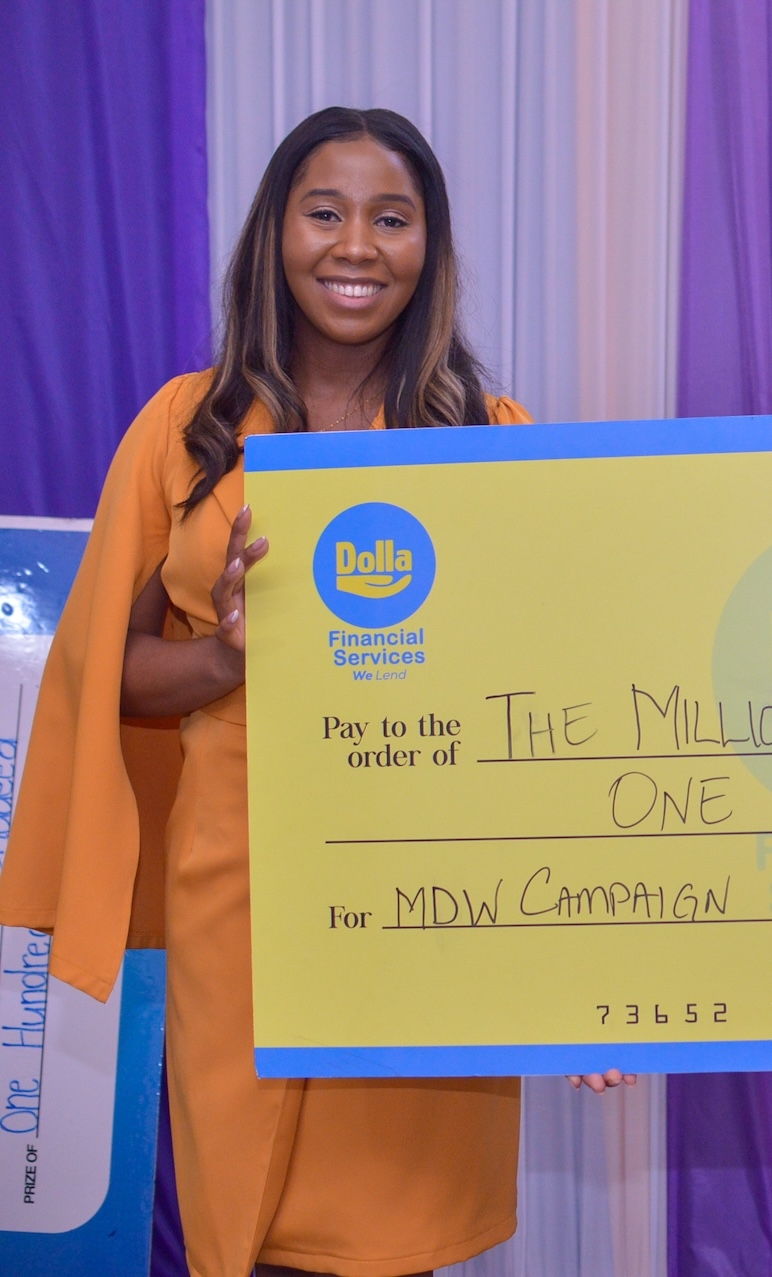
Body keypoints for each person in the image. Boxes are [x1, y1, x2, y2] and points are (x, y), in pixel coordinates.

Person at [0, 107, 629, 1277]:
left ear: (429, 248)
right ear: (275, 234)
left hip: (430, 883)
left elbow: (553, 696)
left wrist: (574, 968)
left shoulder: (490, 438)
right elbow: (111, 673)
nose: (356, 245)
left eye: (392, 218)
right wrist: (234, 658)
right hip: (237, 886)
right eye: (325, 212)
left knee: (390, 1239)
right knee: (255, 1230)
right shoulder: (181, 431)